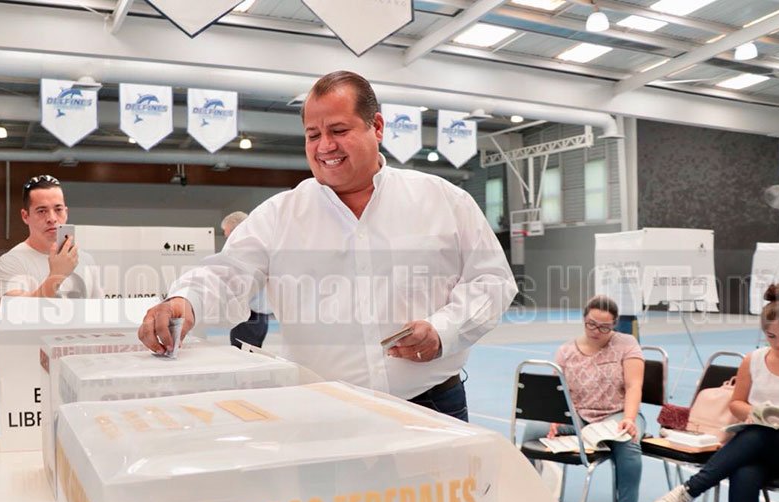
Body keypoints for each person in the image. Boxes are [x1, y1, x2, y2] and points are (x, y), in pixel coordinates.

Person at [138, 71, 516, 420]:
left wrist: (443, 331)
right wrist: (184, 301)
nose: (325, 146)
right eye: (313, 135)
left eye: (338, 130)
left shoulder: (443, 200)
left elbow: (492, 282)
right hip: (322, 410)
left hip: (432, 405)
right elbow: (225, 273)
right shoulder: (279, 216)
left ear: (377, 127)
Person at [652, 283, 779, 502]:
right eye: (771, 336)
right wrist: (755, 412)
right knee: (745, 470)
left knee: (757, 435)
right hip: (761, 447)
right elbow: (737, 404)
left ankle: (691, 488)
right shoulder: (753, 360)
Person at [533, 295, 645, 502]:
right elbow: (557, 390)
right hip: (579, 416)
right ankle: (531, 497)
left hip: (617, 413)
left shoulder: (627, 344)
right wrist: (554, 416)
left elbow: (634, 385)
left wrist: (629, 418)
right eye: (591, 324)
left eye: (604, 327)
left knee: (628, 442)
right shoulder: (566, 351)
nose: (596, 331)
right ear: (584, 320)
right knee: (533, 431)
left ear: (615, 324)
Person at [0, 174, 103, 301]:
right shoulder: (11, 261)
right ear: (25, 216)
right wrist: (57, 275)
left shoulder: (85, 259)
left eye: (58, 209)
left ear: (66, 212)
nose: (52, 218)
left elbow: (98, 310)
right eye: (42, 211)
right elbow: (17, 310)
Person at [221, 211, 272, 349]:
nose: (225, 235)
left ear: (236, 229)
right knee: (252, 353)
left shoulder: (243, 254)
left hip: (248, 316)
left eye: (226, 231)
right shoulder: (262, 248)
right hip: (260, 316)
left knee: (243, 355)